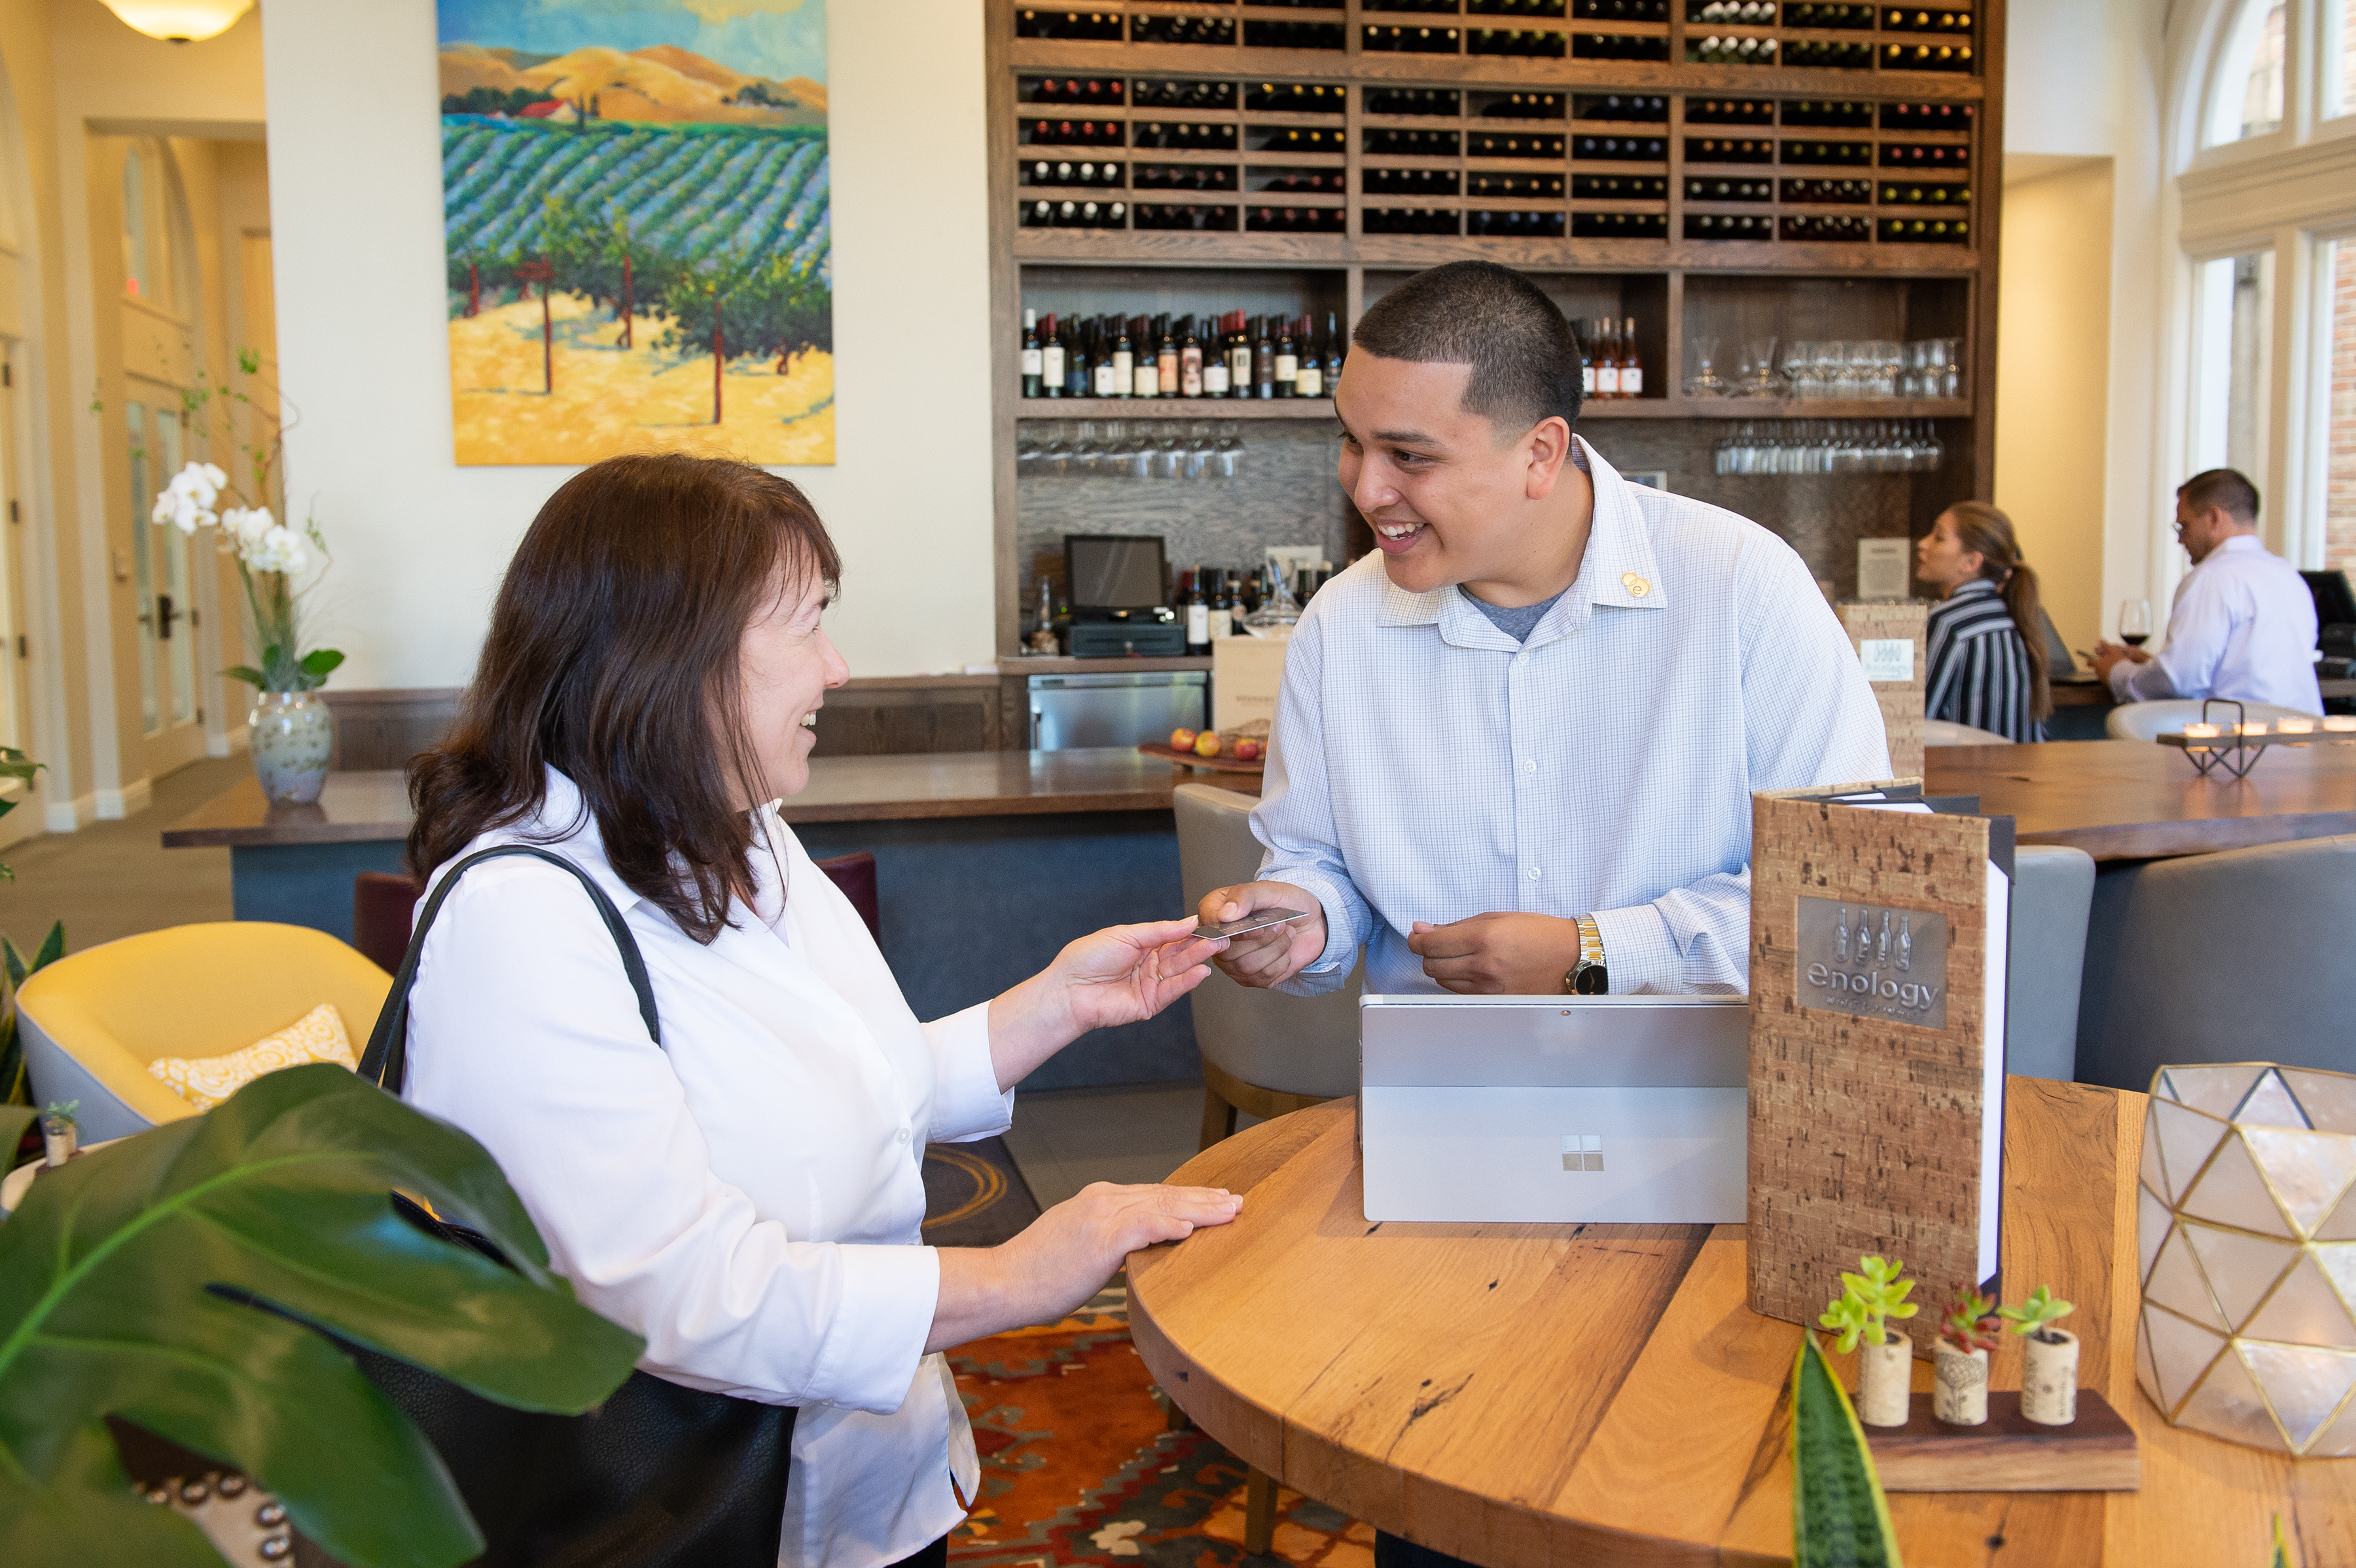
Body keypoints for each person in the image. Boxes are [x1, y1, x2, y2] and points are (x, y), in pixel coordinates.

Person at [399, 455, 1241, 1568]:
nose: (838, 669)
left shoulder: (740, 828)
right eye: (805, 627)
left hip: (866, 1479)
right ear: (670, 658)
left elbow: (859, 1082)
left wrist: (1057, 1006)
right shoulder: (519, 920)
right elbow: (684, 1289)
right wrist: (1021, 1275)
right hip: (687, 1509)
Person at [1198, 260, 1890, 1005]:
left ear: (1541, 453)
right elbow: (1315, 861)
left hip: (1700, 1094)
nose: (1366, 489)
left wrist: (1592, 954)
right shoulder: (1341, 622)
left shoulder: (1740, 586)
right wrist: (1305, 915)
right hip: (1441, 1090)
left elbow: (1852, 897)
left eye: (1410, 456)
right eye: (1353, 443)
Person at [2091, 468, 2322, 713]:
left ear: (2214, 517)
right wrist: (2152, 664)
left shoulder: (2211, 578)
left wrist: (2116, 670)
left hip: (2241, 745)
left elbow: (2177, 682)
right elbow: (2249, 672)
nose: (2181, 540)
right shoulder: (2289, 576)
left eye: (2184, 526)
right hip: (2304, 738)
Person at [1915, 500, 2050, 742]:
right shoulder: (2015, 616)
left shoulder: (1947, 622)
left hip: (1967, 774)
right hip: (2021, 773)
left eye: (1939, 537)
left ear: (1971, 563)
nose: (1923, 544)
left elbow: (1917, 721)